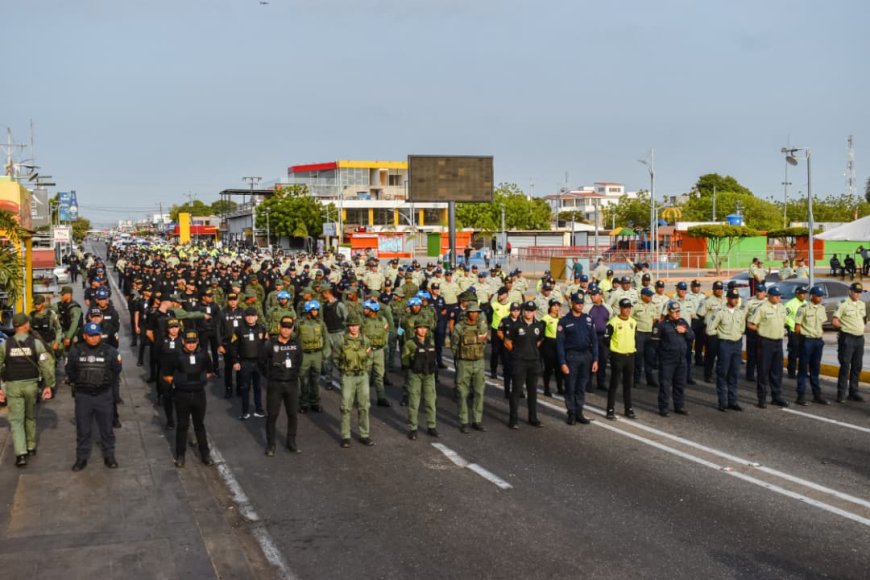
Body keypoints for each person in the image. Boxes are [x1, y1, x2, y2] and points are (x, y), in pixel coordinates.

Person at [0, 313, 55, 467]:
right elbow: (46, 365)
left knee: (16, 420)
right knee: (30, 416)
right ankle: (30, 446)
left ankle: (21, 454)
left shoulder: (5, 345)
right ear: (25, 325)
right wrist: (49, 385)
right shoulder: (36, 343)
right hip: (31, 385)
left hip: (13, 386)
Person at [66, 322, 121, 471]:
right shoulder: (76, 351)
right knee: (83, 429)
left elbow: (116, 370)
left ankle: (109, 455)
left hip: (104, 395)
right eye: (90, 335)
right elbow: (70, 370)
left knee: (107, 429)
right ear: (84, 336)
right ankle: (82, 458)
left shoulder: (110, 351)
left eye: (96, 335)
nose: (93, 338)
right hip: (83, 396)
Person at [163, 331, 214, 468]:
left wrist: (199, 381)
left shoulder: (203, 355)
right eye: (188, 342)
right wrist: (180, 382)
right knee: (182, 426)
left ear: (197, 342)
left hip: (198, 395)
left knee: (199, 425)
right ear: (183, 342)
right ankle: (180, 455)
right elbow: (166, 375)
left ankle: (205, 454)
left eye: (193, 342)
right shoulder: (176, 356)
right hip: (182, 396)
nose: (191, 345)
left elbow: (210, 372)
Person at [259, 315, 304, 456]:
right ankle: (271, 444)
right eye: (284, 327)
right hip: (275, 385)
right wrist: (270, 375)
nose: (286, 331)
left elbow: (299, 361)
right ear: (279, 327)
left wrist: (292, 375)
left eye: (289, 328)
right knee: (272, 415)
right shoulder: (270, 344)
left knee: (292, 414)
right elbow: (261, 362)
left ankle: (291, 442)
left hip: (291, 384)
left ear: (292, 329)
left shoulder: (296, 344)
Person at [556, 292, 597, 425]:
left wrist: (595, 359)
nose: (580, 305)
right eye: (577, 303)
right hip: (571, 357)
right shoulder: (564, 321)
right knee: (570, 386)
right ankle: (571, 413)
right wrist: (562, 362)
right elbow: (560, 344)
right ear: (572, 303)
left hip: (586, 356)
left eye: (581, 303)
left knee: (581, 386)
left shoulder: (588, 319)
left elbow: (594, 341)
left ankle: (579, 411)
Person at [335, 313, 374, 448]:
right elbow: (335, 357)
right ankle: (345, 436)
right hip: (348, 376)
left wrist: (366, 368)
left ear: (359, 326)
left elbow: (370, 356)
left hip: (362, 376)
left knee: (364, 406)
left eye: (356, 325)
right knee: (346, 407)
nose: (353, 328)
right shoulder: (341, 340)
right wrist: (343, 370)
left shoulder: (365, 340)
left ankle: (365, 435)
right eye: (351, 326)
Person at [503, 301, 544, 429]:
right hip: (519, 362)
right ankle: (513, 420)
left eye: (531, 310)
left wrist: (531, 350)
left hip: (533, 362)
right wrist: (517, 352)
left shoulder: (539, 325)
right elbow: (507, 342)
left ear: (534, 312)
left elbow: (539, 340)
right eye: (526, 310)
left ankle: (533, 418)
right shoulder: (516, 325)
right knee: (516, 391)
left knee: (532, 391)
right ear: (522, 311)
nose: (529, 313)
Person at [748, 287, 789, 408]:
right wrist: (761, 330)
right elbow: (751, 324)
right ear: (769, 296)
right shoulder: (762, 308)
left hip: (778, 341)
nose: (778, 298)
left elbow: (784, 322)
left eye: (779, 296)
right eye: (776, 296)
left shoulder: (781, 308)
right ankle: (762, 398)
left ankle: (776, 396)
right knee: (763, 370)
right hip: (765, 342)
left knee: (777, 371)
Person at [451, 303, 489, 433]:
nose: (474, 314)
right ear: (467, 313)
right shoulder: (459, 327)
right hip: (464, 363)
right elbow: (454, 345)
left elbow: (484, 343)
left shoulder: (482, 327)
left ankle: (477, 420)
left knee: (479, 392)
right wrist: (461, 358)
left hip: (478, 362)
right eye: (471, 312)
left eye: (476, 312)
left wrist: (476, 354)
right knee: (462, 393)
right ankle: (464, 421)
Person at [707, 290, 745, 412]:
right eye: (733, 298)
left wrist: (737, 336)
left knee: (734, 373)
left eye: (737, 298)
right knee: (722, 373)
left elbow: (742, 328)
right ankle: (722, 402)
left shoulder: (740, 312)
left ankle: (732, 401)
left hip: (737, 344)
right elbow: (710, 329)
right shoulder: (720, 312)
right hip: (725, 344)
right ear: (727, 299)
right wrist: (720, 335)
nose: (735, 300)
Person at [401, 319, 439, 439]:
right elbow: (405, 360)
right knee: (414, 401)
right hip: (415, 374)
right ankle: (413, 428)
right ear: (415, 329)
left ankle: (431, 426)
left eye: (425, 328)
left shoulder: (431, 341)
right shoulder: (410, 343)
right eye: (420, 328)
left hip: (429, 374)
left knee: (430, 401)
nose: (423, 330)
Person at [832, 282, 867, 403]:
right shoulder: (843, 304)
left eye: (859, 292)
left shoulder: (862, 304)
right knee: (845, 366)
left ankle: (853, 392)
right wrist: (844, 329)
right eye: (855, 291)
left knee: (857, 367)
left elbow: (863, 320)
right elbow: (835, 321)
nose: (858, 294)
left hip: (859, 339)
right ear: (850, 291)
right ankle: (841, 394)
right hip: (847, 338)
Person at [795, 285, 830, 406]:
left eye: (821, 296)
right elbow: (797, 327)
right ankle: (801, 395)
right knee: (803, 369)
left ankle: (817, 395)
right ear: (812, 296)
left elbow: (821, 324)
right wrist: (803, 340)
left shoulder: (821, 308)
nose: (820, 298)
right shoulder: (803, 308)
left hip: (818, 341)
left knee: (815, 369)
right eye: (818, 296)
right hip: (807, 341)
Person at [231, 307, 267, 419]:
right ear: (245, 317)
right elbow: (234, 347)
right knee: (245, 387)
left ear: (256, 316)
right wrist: (235, 361)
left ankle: (259, 410)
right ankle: (245, 412)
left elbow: (266, 346)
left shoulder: (262, 329)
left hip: (258, 363)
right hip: (245, 362)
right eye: (248, 316)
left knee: (257, 387)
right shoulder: (239, 330)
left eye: (252, 315)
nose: (250, 318)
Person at [603, 298, 637, 420]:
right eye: (625, 307)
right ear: (620, 308)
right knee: (614, 384)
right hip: (618, 357)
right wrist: (613, 350)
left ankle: (628, 408)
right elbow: (606, 339)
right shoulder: (613, 322)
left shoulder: (633, 322)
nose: (627, 310)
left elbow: (635, 338)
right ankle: (610, 409)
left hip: (630, 356)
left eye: (629, 307)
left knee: (628, 384)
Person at [298, 300, 331, 413]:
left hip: (317, 354)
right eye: (313, 310)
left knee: (315, 380)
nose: (316, 312)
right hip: (304, 354)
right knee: (303, 379)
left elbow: (326, 339)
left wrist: (324, 355)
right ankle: (304, 402)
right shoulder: (300, 323)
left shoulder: (321, 323)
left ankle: (315, 402)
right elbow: (294, 338)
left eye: (317, 310)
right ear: (308, 310)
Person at [361, 299, 391, 407]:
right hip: (367, 351)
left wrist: (384, 346)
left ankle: (381, 397)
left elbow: (386, 333)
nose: (364, 310)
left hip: (379, 351)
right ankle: (364, 398)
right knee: (365, 375)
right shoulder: (362, 321)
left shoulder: (382, 320)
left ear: (372, 310)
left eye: (366, 308)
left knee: (379, 375)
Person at [156, 318, 183, 428]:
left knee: (180, 398)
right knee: (167, 398)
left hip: (179, 373)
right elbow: (156, 354)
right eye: (171, 327)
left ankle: (181, 419)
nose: (174, 330)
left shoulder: (182, 340)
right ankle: (170, 420)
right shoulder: (162, 339)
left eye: (176, 327)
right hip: (166, 373)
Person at [218, 292, 244, 399]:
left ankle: (239, 388)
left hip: (239, 344)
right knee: (228, 368)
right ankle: (228, 389)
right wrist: (220, 345)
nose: (233, 302)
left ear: (238, 300)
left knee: (239, 367)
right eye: (230, 299)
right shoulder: (222, 312)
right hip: (227, 343)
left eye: (235, 299)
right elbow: (218, 330)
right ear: (227, 300)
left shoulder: (242, 312)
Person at [632, 287, 660, 388]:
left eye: (651, 296)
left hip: (650, 334)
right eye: (649, 296)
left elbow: (656, 319)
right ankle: (636, 380)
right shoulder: (635, 305)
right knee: (638, 358)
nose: (650, 297)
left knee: (650, 357)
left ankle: (650, 379)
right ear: (643, 296)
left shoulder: (653, 306)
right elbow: (629, 318)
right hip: (639, 333)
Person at [539, 298, 563, 397]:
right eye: (554, 306)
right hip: (548, 344)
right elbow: (541, 333)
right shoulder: (545, 319)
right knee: (549, 368)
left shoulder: (561, 319)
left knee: (559, 368)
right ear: (550, 307)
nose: (556, 308)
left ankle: (560, 388)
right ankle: (546, 388)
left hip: (559, 343)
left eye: (558, 306)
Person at [743, 284, 767, 382]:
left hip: (764, 331)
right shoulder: (750, 302)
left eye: (760, 291)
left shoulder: (768, 303)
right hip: (752, 330)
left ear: (765, 293)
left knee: (763, 355)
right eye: (757, 291)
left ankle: (762, 375)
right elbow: (743, 316)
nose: (758, 293)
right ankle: (750, 375)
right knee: (751, 353)